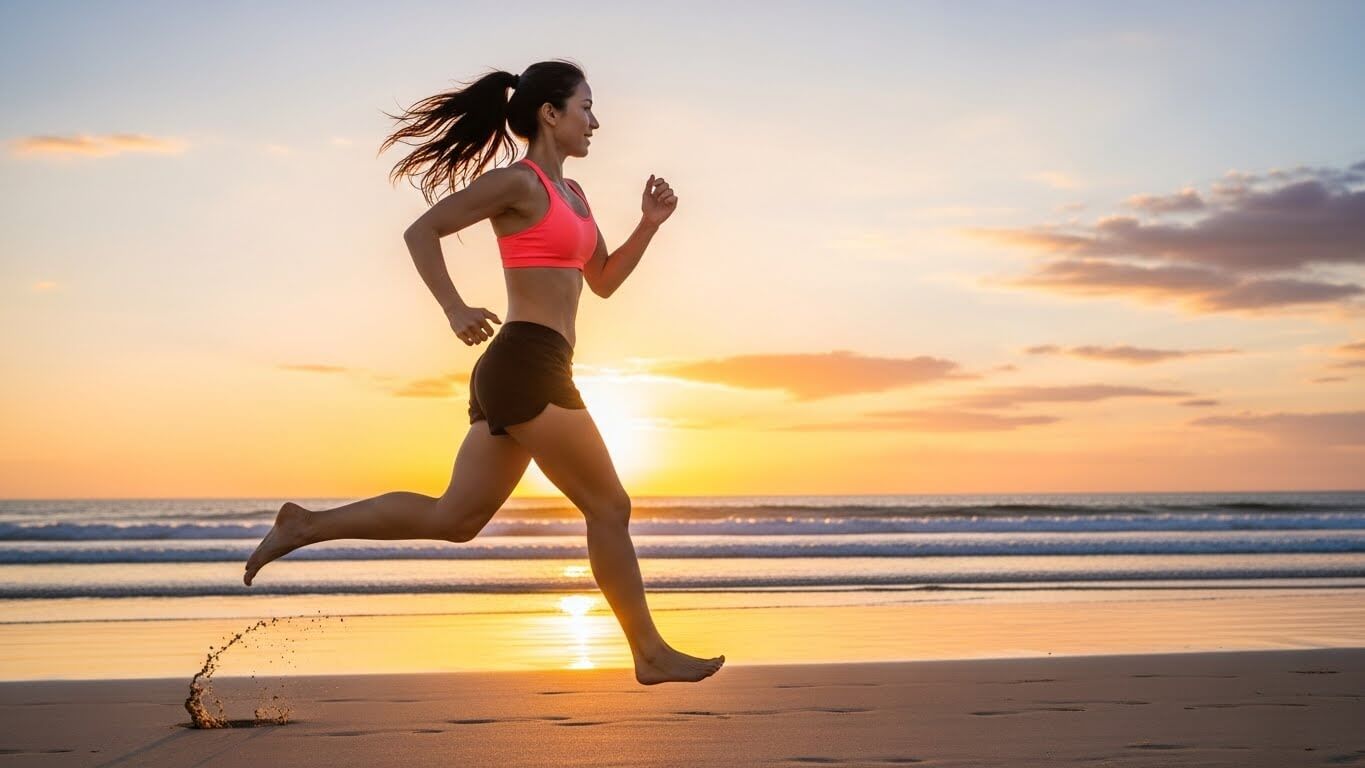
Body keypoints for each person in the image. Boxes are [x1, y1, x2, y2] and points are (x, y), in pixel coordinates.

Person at [242, 59, 724, 685]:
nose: (595, 122)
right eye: (585, 107)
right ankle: (649, 652)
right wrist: (453, 307)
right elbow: (422, 231)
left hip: (532, 366)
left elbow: (602, 281)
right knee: (610, 506)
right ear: (549, 113)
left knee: (456, 519)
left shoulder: (575, 196)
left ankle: (304, 525)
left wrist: (648, 226)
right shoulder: (518, 184)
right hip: (525, 363)